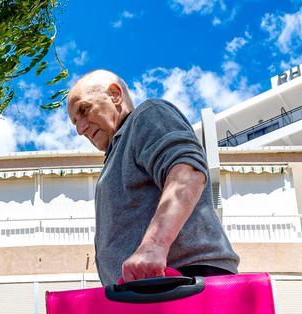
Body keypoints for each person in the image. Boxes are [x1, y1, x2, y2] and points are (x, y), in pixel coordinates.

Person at [66, 69, 239, 283]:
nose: (80, 129)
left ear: (115, 95)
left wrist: (154, 245)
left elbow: (188, 170)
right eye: (75, 123)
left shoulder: (148, 115)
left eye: (84, 110)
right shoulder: (116, 154)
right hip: (146, 289)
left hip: (182, 281)